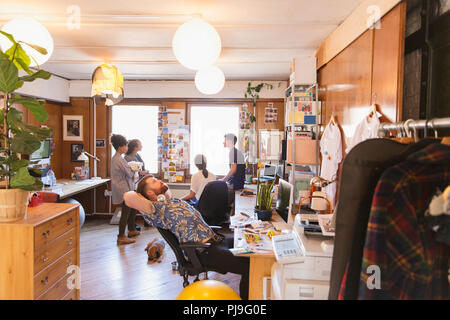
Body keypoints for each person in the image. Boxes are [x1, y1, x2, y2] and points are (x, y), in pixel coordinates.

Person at [123, 175, 250, 299]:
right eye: (155, 181)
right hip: (204, 251)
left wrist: (161, 191)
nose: (160, 181)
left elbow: (166, 193)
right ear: (150, 192)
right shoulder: (155, 210)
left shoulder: (170, 202)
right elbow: (128, 197)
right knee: (250, 266)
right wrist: (140, 193)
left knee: (253, 248)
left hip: (215, 240)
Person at [111, 134, 140, 245]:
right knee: (125, 211)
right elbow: (128, 172)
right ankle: (121, 236)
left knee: (132, 207)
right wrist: (135, 168)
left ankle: (131, 229)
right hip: (122, 188)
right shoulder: (118, 159)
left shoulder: (118, 158)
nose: (127, 148)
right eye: (125, 145)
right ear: (120, 147)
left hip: (125, 187)